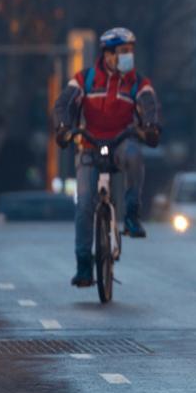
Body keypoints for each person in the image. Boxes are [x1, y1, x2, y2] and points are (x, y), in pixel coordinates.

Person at [53, 27, 160, 288]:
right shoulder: (85, 80)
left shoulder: (138, 84)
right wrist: (64, 128)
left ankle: (132, 214)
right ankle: (83, 266)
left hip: (121, 144)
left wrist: (150, 126)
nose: (128, 57)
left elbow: (149, 105)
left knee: (135, 156)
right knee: (84, 204)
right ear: (108, 55)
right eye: (123, 52)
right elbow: (64, 103)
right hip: (89, 145)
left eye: (130, 52)